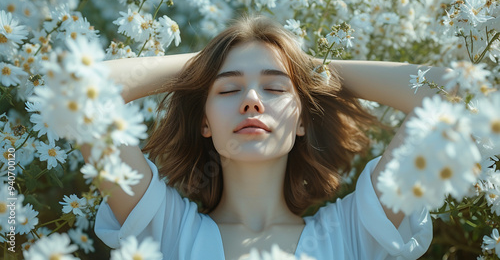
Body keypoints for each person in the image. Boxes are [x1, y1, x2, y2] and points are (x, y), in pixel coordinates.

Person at [83, 15, 442, 259]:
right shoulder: (166, 232)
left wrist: (313, 69)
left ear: (302, 120)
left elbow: (455, 95)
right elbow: (80, 88)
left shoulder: (354, 232)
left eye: (274, 88)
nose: (252, 101)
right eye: (227, 90)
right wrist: (206, 62)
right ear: (204, 123)